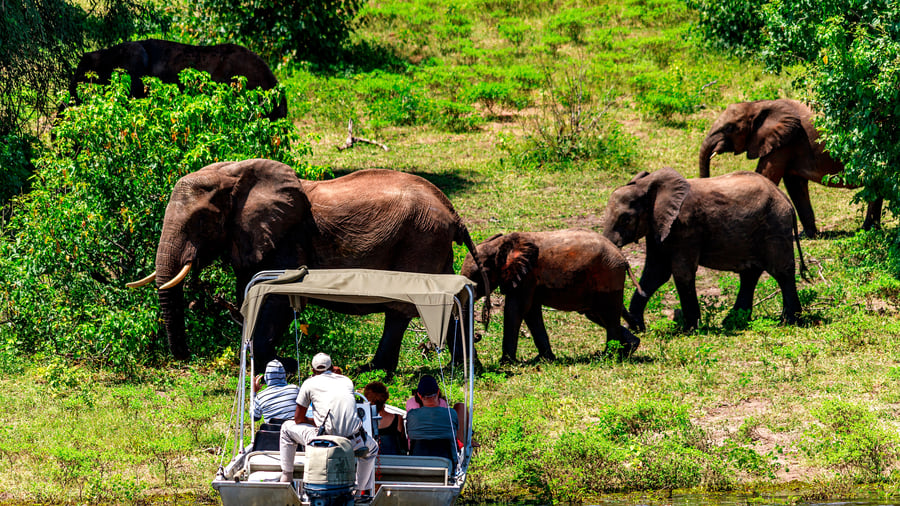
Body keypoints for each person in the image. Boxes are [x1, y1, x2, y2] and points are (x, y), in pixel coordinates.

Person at [279, 353, 379, 501]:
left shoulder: (309, 383)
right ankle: (359, 493)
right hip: (354, 442)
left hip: (324, 441)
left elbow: (298, 419)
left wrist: (315, 422)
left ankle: (286, 478)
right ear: (332, 367)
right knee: (373, 449)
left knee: (286, 428)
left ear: (313, 371)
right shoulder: (346, 381)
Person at [405, 375, 460, 464]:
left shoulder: (412, 415)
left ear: (419, 395)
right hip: (445, 464)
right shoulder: (451, 414)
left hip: (417, 464)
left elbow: (409, 435)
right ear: (438, 392)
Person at [405, 374, 468, 444]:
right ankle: (465, 440)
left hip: (417, 451)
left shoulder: (411, 411)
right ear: (438, 392)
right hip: (444, 452)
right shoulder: (450, 413)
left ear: (419, 395)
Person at [363, 381, 407, 455]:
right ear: (385, 397)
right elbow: (403, 444)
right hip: (393, 461)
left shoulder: (363, 421)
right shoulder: (397, 418)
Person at [252, 359, 299, 424]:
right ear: (284, 375)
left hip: (272, 433)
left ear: (266, 377)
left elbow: (254, 417)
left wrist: (254, 393)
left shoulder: (261, 396)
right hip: (293, 432)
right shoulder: (295, 389)